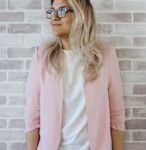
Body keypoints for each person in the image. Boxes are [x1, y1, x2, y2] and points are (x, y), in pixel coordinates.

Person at [24, 0, 125, 150]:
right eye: (51, 11)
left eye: (62, 11)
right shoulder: (42, 56)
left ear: (81, 14)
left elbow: (116, 114)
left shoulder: (106, 55)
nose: (54, 17)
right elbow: (32, 115)